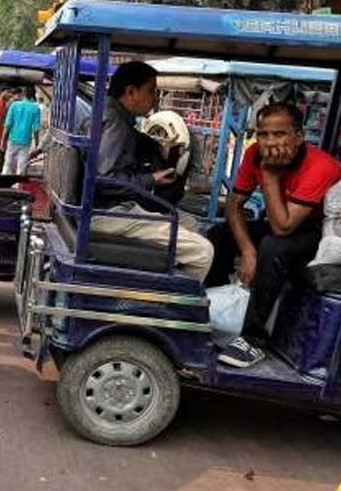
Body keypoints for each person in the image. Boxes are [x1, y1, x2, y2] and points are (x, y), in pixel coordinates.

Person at [204, 103, 341, 368]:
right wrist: (247, 252)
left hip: (318, 235)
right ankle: (212, 316)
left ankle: (253, 340)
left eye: (279, 134)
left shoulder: (321, 166)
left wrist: (269, 175)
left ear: (299, 137)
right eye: (263, 134)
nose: (269, 142)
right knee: (220, 234)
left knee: (273, 245)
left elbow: (283, 228)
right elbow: (234, 205)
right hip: (283, 222)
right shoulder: (254, 153)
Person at [88, 61, 214, 281]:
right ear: (130, 92)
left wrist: (161, 150)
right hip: (108, 213)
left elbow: (139, 142)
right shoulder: (115, 123)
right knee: (202, 253)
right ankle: (168, 300)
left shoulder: (113, 115)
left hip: (109, 207)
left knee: (191, 224)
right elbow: (106, 180)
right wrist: (152, 179)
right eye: (151, 91)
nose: (155, 98)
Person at [1, 86, 42, 175]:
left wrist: (3, 141)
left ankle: (4, 181)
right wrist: (37, 145)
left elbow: (8, 125)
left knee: (8, 164)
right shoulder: (36, 109)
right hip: (26, 142)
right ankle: (18, 182)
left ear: (24, 93)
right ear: (33, 95)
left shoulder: (14, 105)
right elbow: (36, 129)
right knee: (21, 167)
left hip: (12, 140)